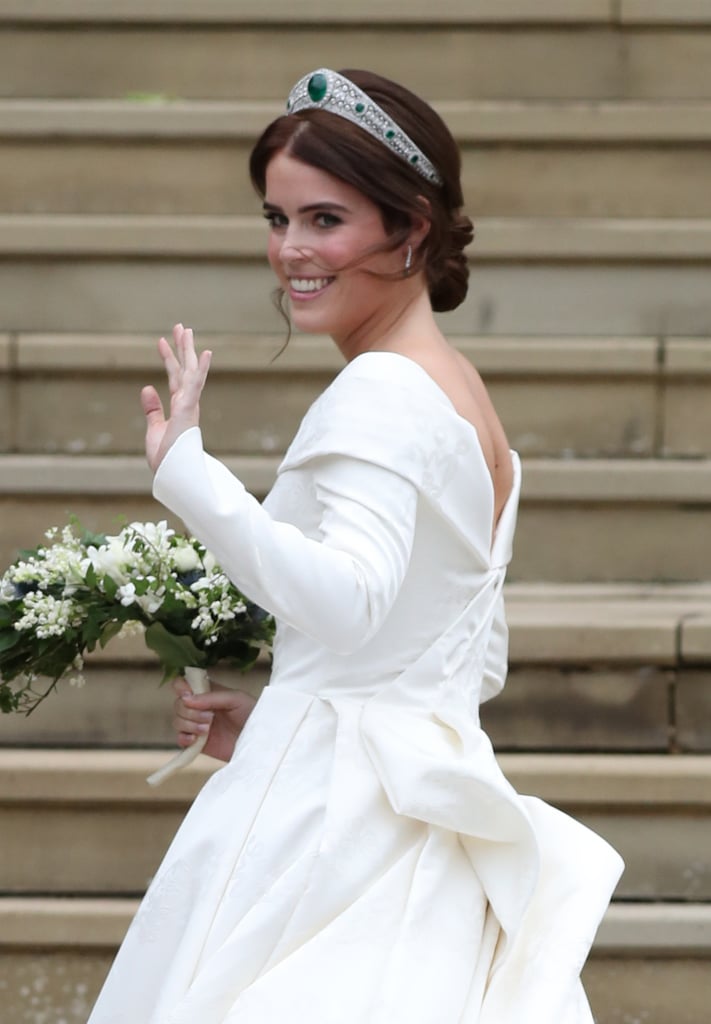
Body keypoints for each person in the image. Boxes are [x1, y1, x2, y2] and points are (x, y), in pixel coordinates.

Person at [88, 68, 623, 1023]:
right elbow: (459, 655)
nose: (290, 249)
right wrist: (289, 717)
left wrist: (188, 475)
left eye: (325, 220)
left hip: (336, 840)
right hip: (410, 811)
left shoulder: (381, 390)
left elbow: (348, 602)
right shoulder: (462, 393)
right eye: (276, 216)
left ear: (410, 230)